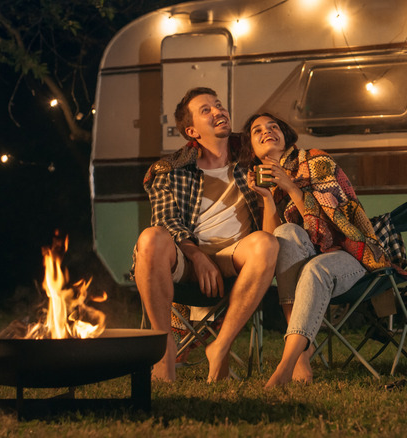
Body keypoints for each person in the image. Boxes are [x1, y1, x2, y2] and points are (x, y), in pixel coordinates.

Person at [133, 88, 278, 382]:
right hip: (188, 260)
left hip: (233, 258)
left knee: (266, 243)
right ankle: (163, 348)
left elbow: (287, 147)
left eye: (219, 105)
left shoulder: (251, 159)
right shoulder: (171, 169)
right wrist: (196, 255)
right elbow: (166, 220)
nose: (218, 112)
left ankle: (220, 347)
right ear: (191, 131)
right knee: (151, 238)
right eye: (206, 110)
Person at [240, 113, 393, 388]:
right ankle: (300, 358)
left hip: (350, 252)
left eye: (274, 126)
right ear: (252, 148)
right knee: (284, 234)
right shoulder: (266, 182)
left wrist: (290, 186)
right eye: (257, 130)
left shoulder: (315, 161)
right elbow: (273, 239)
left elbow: (334, 224)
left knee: (315, 266)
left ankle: (286, 366)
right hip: (306, 266)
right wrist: (268, 199)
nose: (267, 132)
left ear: (285, 135)